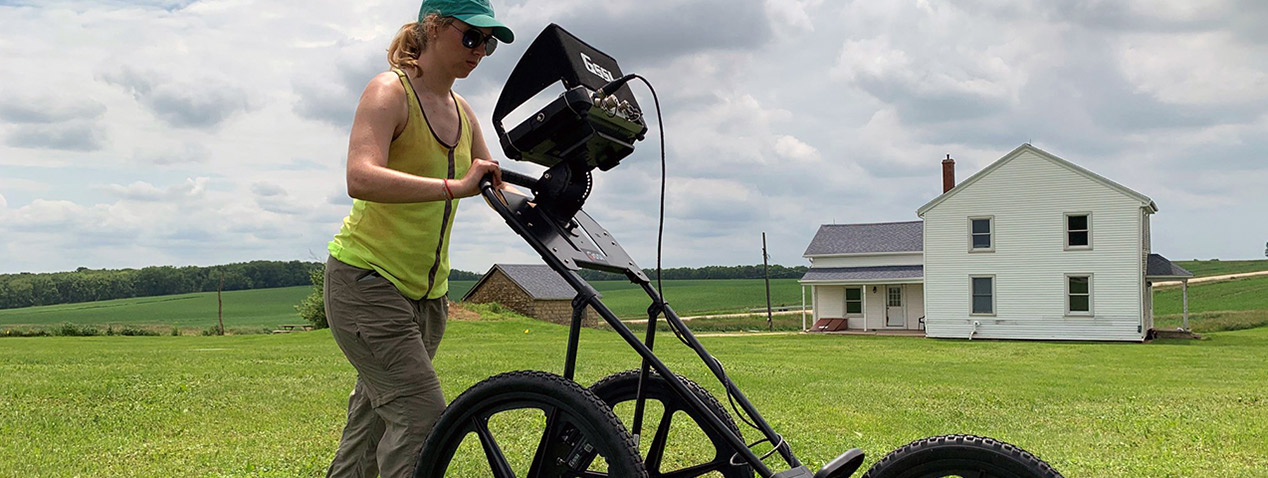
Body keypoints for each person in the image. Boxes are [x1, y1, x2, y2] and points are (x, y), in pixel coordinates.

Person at [322, 1, 512, 476]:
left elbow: (494, 187)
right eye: (471, 37)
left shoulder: (463, 110)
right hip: (366, 282)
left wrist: (558, 192)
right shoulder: (389, 91)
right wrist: (454, 187)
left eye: (487, 43)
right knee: (421, 416)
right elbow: (360, 177)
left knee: (371, 425)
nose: (480, 51)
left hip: (428, 298)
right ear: (433, 27)